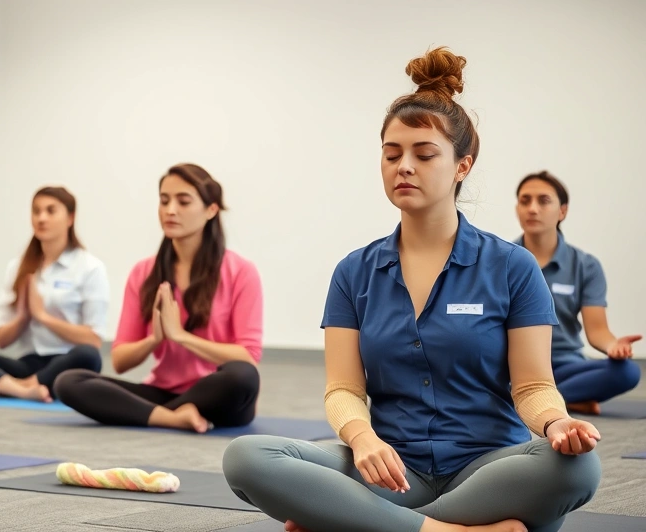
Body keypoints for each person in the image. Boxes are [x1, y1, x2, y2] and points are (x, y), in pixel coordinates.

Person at [222, 48, 601, 532]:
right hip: (388, 469)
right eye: (392, 154)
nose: (404, 166)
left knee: (578, 467)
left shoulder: (513, 267)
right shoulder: (353, 272)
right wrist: (361, 439)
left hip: (490, 471)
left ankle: (355, 523)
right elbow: (343, 390)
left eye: (424, 155)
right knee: (247, 456)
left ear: (462, 166)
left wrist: (556, 424)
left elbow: (531, 386)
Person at [53, 163, 263, 433]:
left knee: (243, 377)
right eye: (164, 201)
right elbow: (120, 360)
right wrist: (155, 339)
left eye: (183, 201)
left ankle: (158, 414)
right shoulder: (144, 273)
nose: (170, 210)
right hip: (161, 393)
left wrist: (180, 336)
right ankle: (173, 417)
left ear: (211, 210)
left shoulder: (241, 272)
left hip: (218, 393)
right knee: (68, 382)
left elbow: (248, 356)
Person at [0, 186, 107, 402]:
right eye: (36, 211)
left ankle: (5, 386)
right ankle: (23, 389)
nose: (41, 218)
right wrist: (24, 317)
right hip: (27, 364)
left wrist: (42, 316)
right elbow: (1, 340)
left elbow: (93, 340)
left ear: (70, 218)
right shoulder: (18, 267)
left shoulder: (90, 267)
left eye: (50, 211)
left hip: (67, 365)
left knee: (89, 356)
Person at [515, 171, 641, 415]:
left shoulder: (586, 265)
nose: (532, 208)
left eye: (543, 201)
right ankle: (567, 399)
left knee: (628, 371)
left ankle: (533, 401)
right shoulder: (502, 259)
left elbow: (597, 331)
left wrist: (614, 346)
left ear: (562, 211)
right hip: (518, 366)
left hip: (565, 365)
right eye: (524, 200)